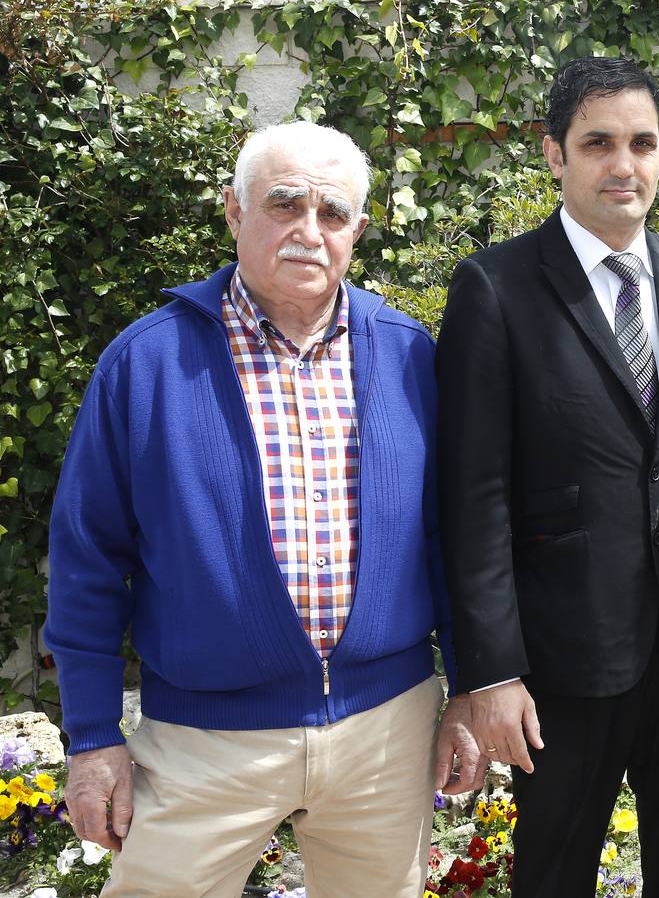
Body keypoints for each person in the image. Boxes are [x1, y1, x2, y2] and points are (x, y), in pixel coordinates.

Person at [44, 120, 478, 897]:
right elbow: (88, 560)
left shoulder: (410, 353)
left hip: (385, 730)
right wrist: (92, 737)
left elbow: (454, 539)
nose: (308, 231)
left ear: (358, 232)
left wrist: (472, 688)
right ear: (234, 212)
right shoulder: (145, 363)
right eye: (284, 204)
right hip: (202, 739)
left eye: (333, 213)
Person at [436, 56, 659, 896]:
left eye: (643, 143)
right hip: (560, 659)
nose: (624, 164)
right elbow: (473, 498)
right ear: (555, 154)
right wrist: (491, 671)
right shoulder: (495, 287)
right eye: (599, 143)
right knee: (554, 874)